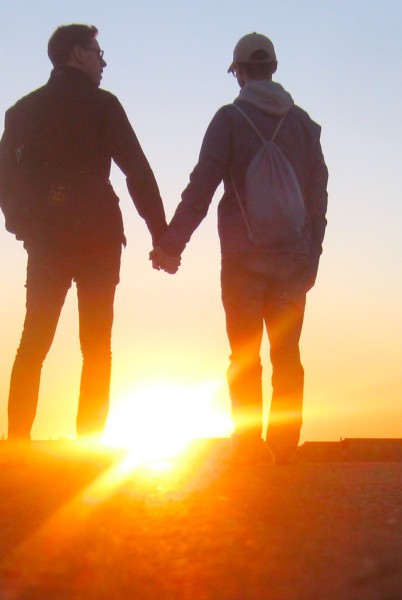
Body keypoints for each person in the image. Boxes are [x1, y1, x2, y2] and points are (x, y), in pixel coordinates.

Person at [150, 32, 328, 464]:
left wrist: (171, 245)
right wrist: (313, 254)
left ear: (239, 72)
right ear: (274, 68)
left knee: (244, 356)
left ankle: (249, 448)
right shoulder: (303, 124)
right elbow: (318, 194)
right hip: (293, 257)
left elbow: (202, 187)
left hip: (243, 260)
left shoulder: (229, 120)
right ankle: (285, 448)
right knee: (288, 356)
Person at [0, 24, 167, 442]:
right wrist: (160, 235)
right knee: (96, 346)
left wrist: (23, 224)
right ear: (76, 54)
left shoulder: (24, 110)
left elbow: (2, 179)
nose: (103, 61)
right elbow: (137, 171)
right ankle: (88, 444)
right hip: (97, 239)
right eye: (97, 52)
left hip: (48, 242)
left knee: (33, 343)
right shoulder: (102, 106)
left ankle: (18, 444)